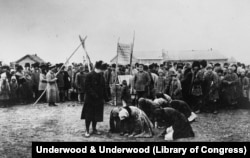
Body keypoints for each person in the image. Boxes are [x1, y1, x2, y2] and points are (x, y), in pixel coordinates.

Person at [81, 61, 108, 137]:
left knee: (96, 115)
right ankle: (87, 130)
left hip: (99, 100)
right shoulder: (89, 75)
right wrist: (95, 95)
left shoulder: (101, 75)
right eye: (103, 69)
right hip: (90, 100)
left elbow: (103, 87)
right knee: (88, 115)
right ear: (99, 68)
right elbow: (87, 87)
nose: (103, 71)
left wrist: (106, 97)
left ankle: (94, 129)